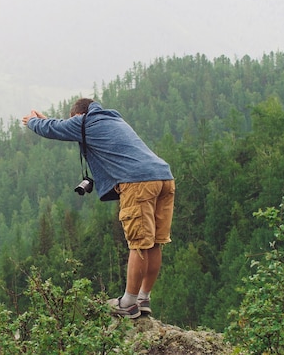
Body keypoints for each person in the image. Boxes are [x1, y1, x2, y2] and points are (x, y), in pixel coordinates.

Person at [22, 98, 175, 319]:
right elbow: (65, 126)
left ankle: (129, 303)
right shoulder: (111, 118)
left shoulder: (86, 122)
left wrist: (33, 122)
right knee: (154, 243)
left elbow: (55, 129)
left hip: (138, 183)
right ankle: (143, 298)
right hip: (164, 178)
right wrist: (54, 121)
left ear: (78, 115)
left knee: (139, 244)